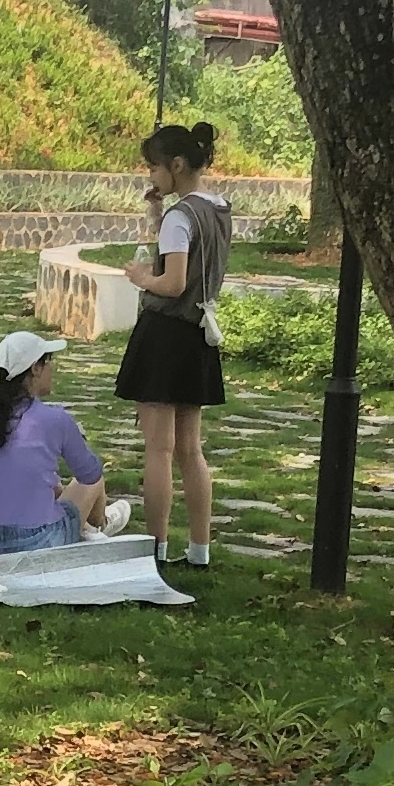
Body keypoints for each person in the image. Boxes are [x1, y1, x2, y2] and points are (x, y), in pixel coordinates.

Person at [117, 118, 230, 567]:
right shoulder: (217, 209)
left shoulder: (181, 216)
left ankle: (156, 547)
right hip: (197, 333)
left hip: (165, 334)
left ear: (176, 165)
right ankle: (200, 549)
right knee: (190, 449)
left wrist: (141, 277)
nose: (150, 175)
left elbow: (173, 282)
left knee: (159, 449)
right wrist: (157, 213)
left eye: (154, 167)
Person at [0, 329, 133, 551]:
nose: (52, 369)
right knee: (93, 483)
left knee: (50, 486)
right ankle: (99, 527)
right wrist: (79, 441)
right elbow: (90, 474)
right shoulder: (55, 419)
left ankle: (90, 528)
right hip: (38, 540)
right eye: (48, 362)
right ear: (35, 368)